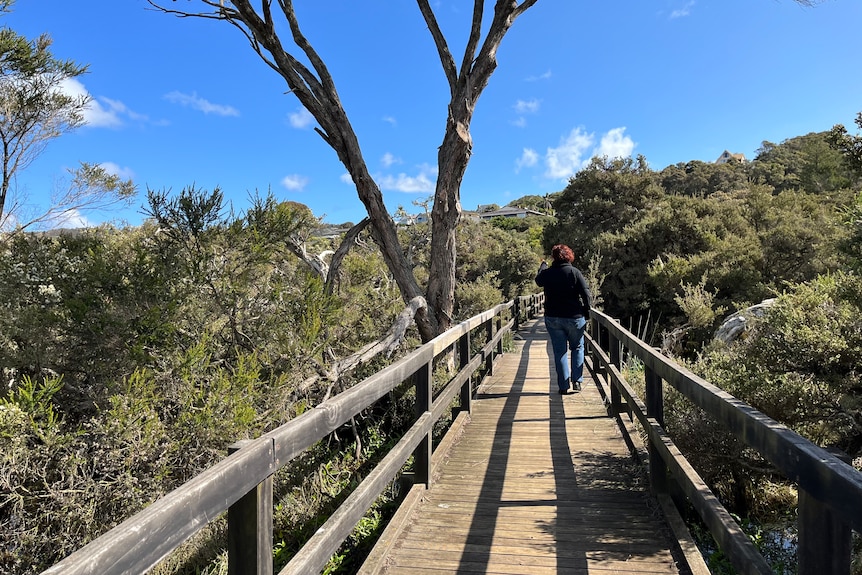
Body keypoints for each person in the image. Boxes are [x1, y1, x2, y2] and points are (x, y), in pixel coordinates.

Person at [535, 244, 592, 395]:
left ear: (554, 257)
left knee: (560, 352)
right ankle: (577, 381)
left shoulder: (547, 273)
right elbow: (586, 294)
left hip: (553, 318)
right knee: (577, 348)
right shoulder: (574, 272)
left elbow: (538, 280)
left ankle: (563, 386)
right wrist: (587, 311)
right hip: (574, 317)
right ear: (569, 256)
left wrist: (542, 266)